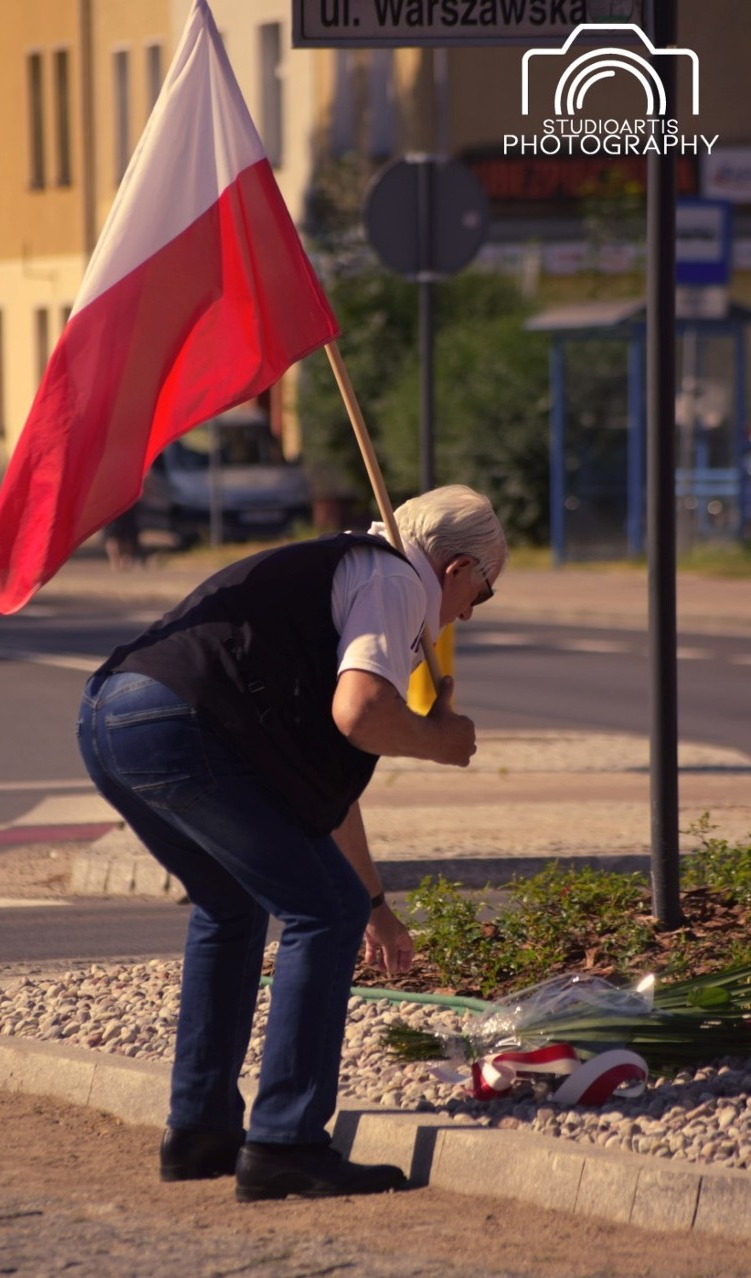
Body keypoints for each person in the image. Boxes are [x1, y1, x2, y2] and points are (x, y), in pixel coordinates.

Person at [76, 483, 507, 1201]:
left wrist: (373, 903)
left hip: (110, 717)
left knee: (234, 907)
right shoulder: (395, 579)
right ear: (458, 570)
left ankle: (202, 1132)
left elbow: (323, 796)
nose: (467, 612)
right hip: (178, 722)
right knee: (320, 915)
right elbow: (362, 711)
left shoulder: (351, 575)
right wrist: (436, 739)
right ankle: (287, 1143)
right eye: (481, 595)